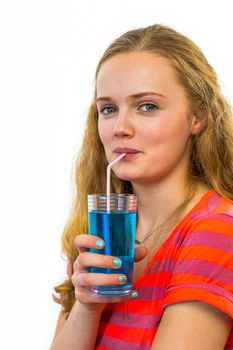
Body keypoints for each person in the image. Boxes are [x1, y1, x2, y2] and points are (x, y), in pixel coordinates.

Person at [50, 24, 233, 350]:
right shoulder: (102, 236)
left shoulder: (217, 230)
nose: (120, 127)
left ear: (197, 117)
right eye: (108, 109)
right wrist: (87, 307)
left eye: (147, 106)